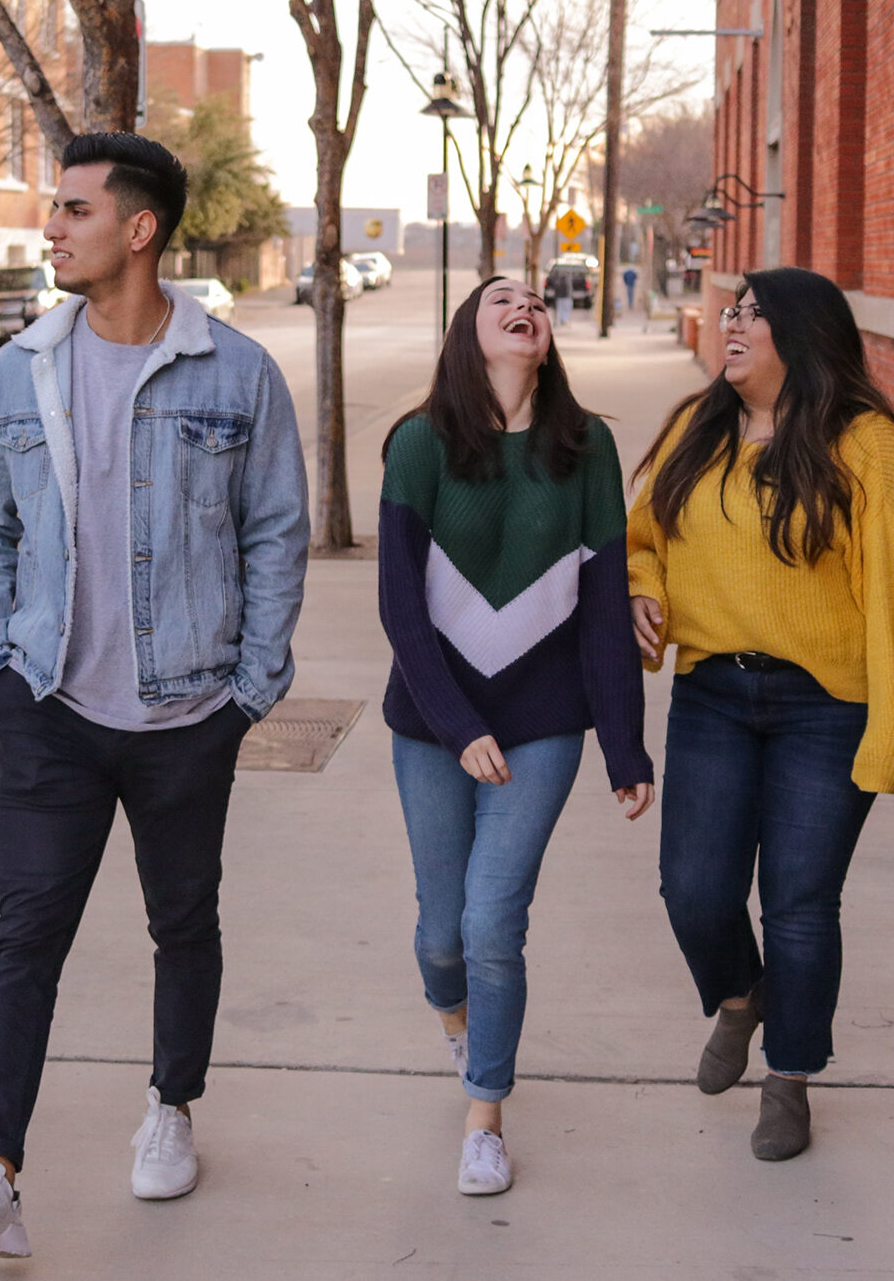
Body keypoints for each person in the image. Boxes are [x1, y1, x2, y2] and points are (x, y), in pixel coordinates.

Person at [0, 132, 310, 1259]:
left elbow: (276, 531)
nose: (52, 228)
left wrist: (249, 688)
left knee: (181, 921)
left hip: (190, 712)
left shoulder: (235, 373)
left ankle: (170, 1108)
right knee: (24, 934)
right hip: (48, 707)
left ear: (137, 231)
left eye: (73, 211)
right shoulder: (18, 367)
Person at [627, 267, 894, 1162]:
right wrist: (641, 592)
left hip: (825, 706)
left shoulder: (868, 445)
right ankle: (739, 997)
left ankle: (791, 1077)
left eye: (753, 315)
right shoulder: (697, 428)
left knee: (801, 903)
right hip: (713, 693)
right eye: (731, 310)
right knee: (693, 889)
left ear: (801, 336)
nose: (731, 324)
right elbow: (642, 538)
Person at [378, 277, 655, 1196]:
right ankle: (459, 1020)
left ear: (547, 337)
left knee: (494, 921)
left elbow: (608, 606)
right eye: (500, 297)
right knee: (439, 934)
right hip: (432, 723)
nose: (523, 304)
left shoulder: (588, 448)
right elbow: (400, 611)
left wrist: (624, 745)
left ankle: (485, 1112)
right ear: (470, 331)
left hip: (541, 725)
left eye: (536, 298)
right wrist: (458, 729)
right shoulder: (419, 444)